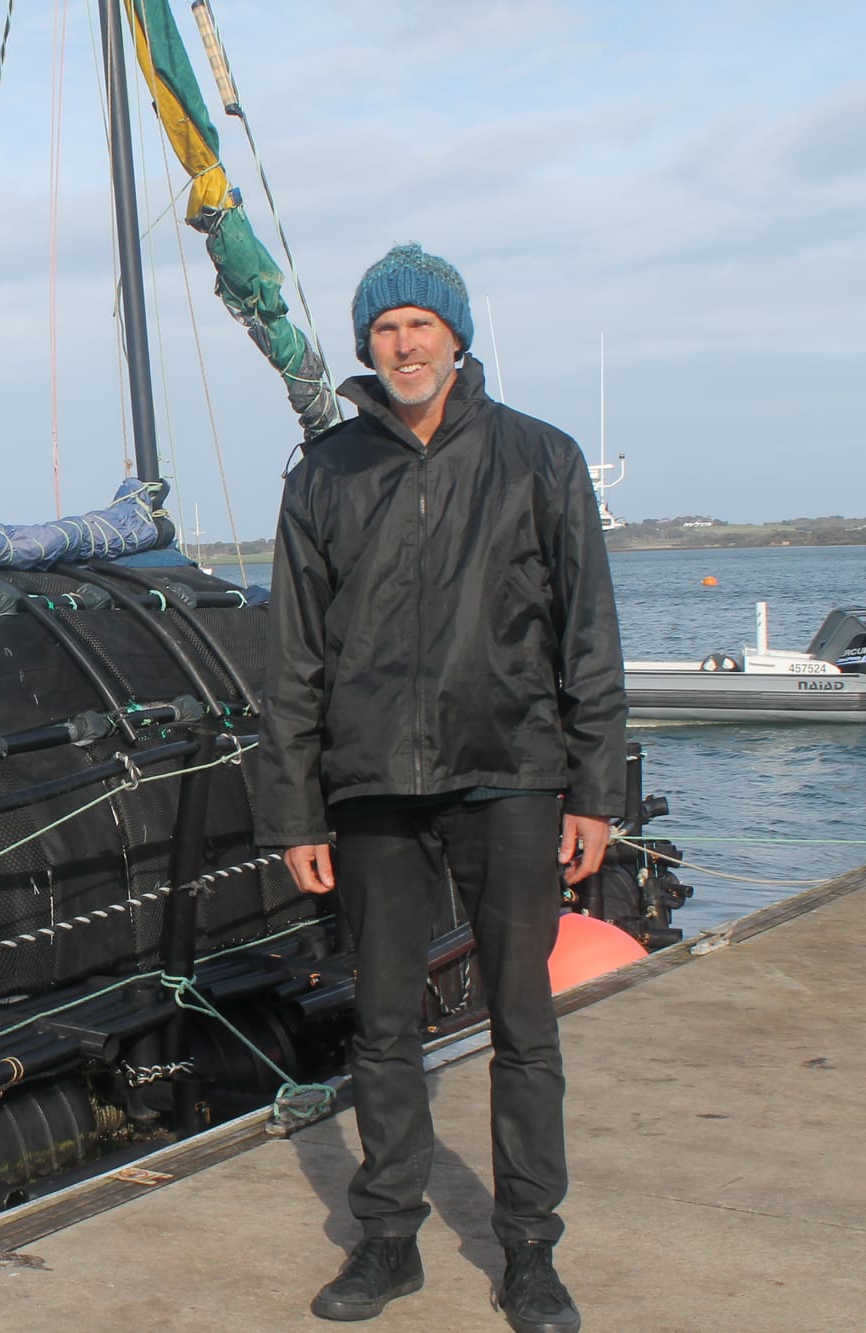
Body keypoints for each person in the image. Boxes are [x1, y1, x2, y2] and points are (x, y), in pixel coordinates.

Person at [253, 244, 625, 1333]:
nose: (404, 343)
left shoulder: (538, 458)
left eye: (421, 323)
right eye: (384, 328)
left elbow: (588, 637)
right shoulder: (324, 474)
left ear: (455, 337)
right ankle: (387, 1236)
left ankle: (529, 1249)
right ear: (364, 345)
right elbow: (293, 658)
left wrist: (592, 790)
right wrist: (295, 808)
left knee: (523, 1023)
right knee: (380, 1024)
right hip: (371, 787)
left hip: (509, 774)